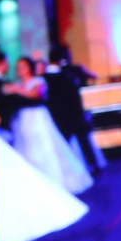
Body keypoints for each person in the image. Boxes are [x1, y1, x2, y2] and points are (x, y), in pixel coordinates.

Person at [4, 56, 93, 195]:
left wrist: (17, 90)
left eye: (23, 67)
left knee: (46, 147)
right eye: (18, 68)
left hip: (37, 118)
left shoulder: (38, 81)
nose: (20, 70)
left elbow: (36, 94)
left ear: (30, 68)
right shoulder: (17, 84)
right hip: (23, 119)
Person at [42, 44, 102, 175]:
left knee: (73, 141)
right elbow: (93, 76)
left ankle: (80, 168)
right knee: (80, 141)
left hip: (63, 114)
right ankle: (90, 166)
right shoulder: (68, 72)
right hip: (70, 113)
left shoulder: (50, 75)